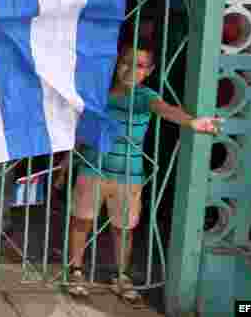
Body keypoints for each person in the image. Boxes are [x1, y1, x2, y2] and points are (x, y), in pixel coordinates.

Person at [66, 33, 220, 304]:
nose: (130, 69)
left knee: (123, 229)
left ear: (148, 71)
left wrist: (192, 122)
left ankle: (121, 275)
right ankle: (75, 270)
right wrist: (66, 162)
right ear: (116, 63)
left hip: (130, 175)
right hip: (92, 168)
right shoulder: (98, 91)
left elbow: (165, 109)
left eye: (138, 65)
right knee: (81, 221)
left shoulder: (145, 96)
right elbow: (81, 129)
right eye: (125, 62)